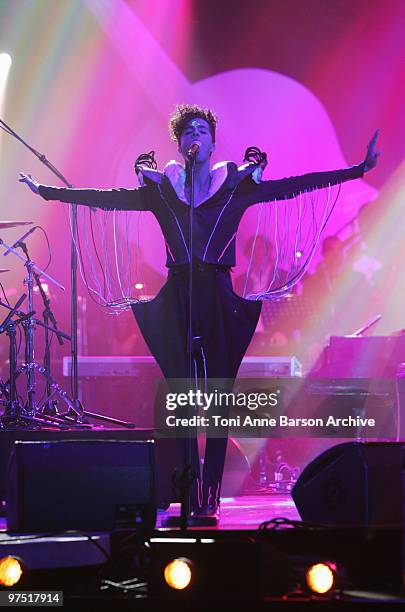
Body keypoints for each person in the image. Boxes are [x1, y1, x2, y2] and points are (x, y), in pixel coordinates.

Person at [19, 104, 380, 524]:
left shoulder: (235, 186)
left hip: (219, 294)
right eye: (188, 130)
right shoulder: (162, 190)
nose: (195, 135)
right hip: (178, 296)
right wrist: (49, 192)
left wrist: (357, 170)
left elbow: (297, 185)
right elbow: (107, 199)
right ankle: (190, 493)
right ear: (179, 143)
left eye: (202, 130)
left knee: (218, 395)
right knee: (183, 394)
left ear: (211, 142)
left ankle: (212, 493)